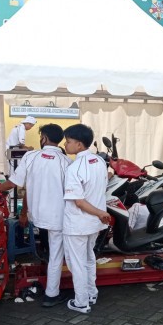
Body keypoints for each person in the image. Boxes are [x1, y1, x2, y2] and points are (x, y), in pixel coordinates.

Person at [0, 124, 72, 308]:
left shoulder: (31, 156)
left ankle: (50, 287)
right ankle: (52, 294)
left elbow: (13, 184)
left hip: (37, 216)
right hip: (58, 218)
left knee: (47, 249)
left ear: (43, 138)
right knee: (56, 255)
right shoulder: (66, 162)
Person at [62, 124, 110, 314]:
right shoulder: (99, 161)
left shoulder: (74, 168)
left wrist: (99, 213)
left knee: (77, 263)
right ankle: (91, 292)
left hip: (78, 223)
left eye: (69, 142)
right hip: (93, 224)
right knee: (89, 258)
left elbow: (79, 202)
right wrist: (99, 214)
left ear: (80, 145)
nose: (66, 145)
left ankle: (81, 302)